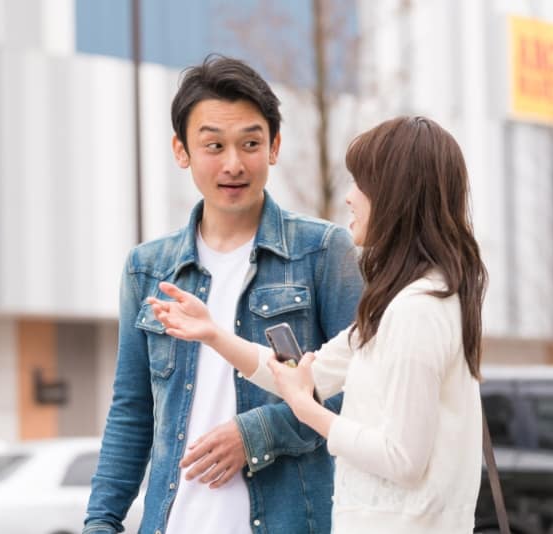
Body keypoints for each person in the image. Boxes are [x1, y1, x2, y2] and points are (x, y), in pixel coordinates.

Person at [149, 116, 489, 533]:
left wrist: (308, 411)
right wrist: (214, 334)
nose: (350, 197)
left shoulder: (417, 311)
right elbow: (306, 373)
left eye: (361, 183)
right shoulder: (402, 304)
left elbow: (403, 459)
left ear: (396, 195)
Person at [83, 55, 363, 534]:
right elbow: (132, 412)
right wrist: (101, 522)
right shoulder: (147, 269)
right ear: (182, 150)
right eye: (213, 145)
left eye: (250, 143)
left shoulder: (322, 251)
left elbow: (358, 392)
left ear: (274, 146)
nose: (233, 164)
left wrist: (255, 433)